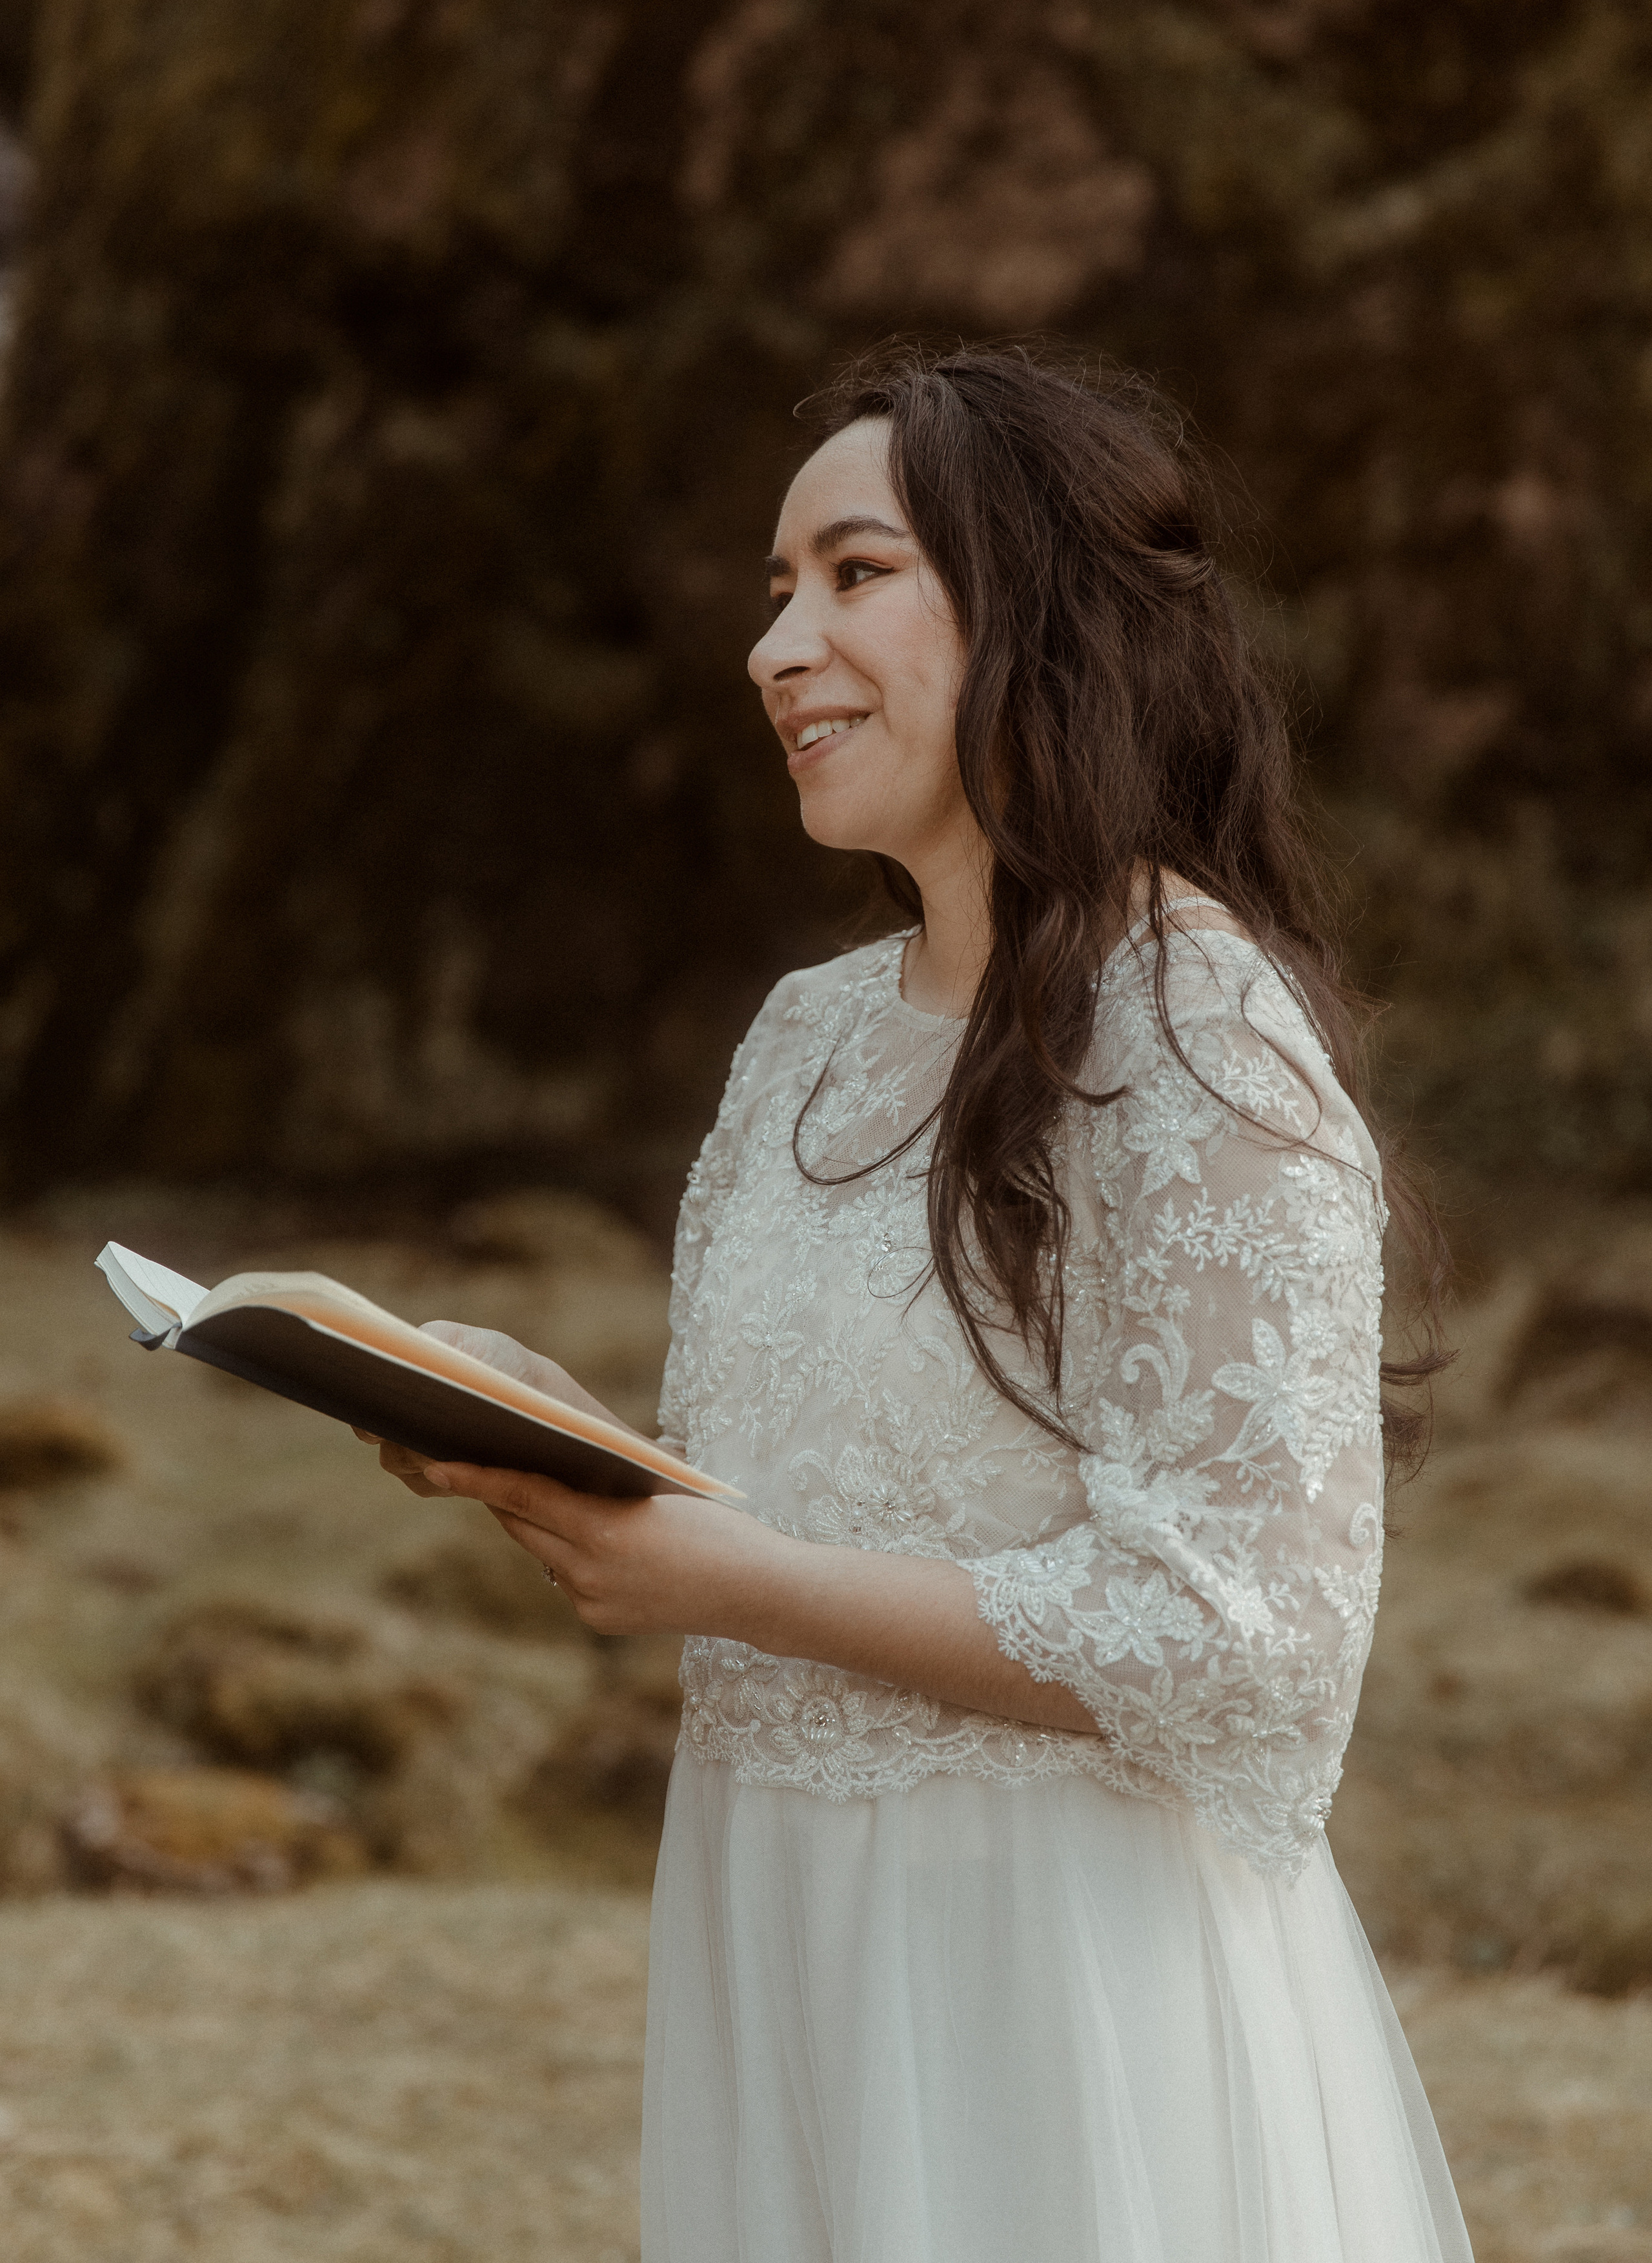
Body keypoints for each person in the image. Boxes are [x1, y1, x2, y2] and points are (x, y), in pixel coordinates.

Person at [367, 347, 1475, 2262]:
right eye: (774, 590)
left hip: (1050, 1989)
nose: (776, 645)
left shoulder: (1198, 1028)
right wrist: (534, 1415)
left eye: (853, 573)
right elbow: (814, 1488)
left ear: (1039, 604)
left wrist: (730, 1583)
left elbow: (1254, 1642)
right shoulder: (808, 1037)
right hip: (775, 1920)